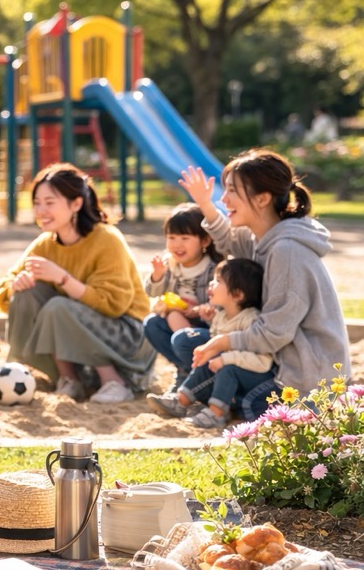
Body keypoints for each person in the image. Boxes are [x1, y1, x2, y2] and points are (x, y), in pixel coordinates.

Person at [179, 150, 351, 421]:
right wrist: (205, 204)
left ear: (262, 198)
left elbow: (274, 332)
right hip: (278, 360)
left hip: (306, 381)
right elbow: (229, 243)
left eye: (233, 191)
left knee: (249, 407)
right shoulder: (262, 238)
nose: (224, 199)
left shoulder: (287, 251)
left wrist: (223, 341)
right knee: (192, 341)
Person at [0, 163, 155, 404]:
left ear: (76, 204)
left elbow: (114, 305)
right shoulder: (45, 244)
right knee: (28, 294)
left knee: (58, 306)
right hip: (81, 332)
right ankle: (69, 379)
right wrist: (16, 285)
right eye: (37, 203)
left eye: (50, 202)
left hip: (127, 335)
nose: (41, 210)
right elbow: (5, 288)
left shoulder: (106, 239)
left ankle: (115, 382)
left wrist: (62, 278)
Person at [147, 259, 274, 429]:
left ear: (237, 295)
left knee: (227, 368)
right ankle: (181, 400)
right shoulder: (221, 317)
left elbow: (262, 362)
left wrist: (226, 359)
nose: (211, 285)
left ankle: (217, 414)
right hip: (231, 370)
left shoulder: (250, 319)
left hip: (255, 376)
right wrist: (210, 324)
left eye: (218, 281)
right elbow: (216, 346)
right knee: (209, 358)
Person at [142, 203, 222, 390]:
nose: (177, 244)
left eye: (185, 238)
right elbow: (151, 292)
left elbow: (219, 305)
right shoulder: (169, 264)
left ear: (205, 241)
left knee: (183, 336)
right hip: (176, 322)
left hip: (205, 328)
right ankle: (185, 370)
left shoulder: (213, 269)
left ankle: (196, 374)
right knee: (152, 323)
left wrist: (196, 311)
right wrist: (158, 275)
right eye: (171, 237)